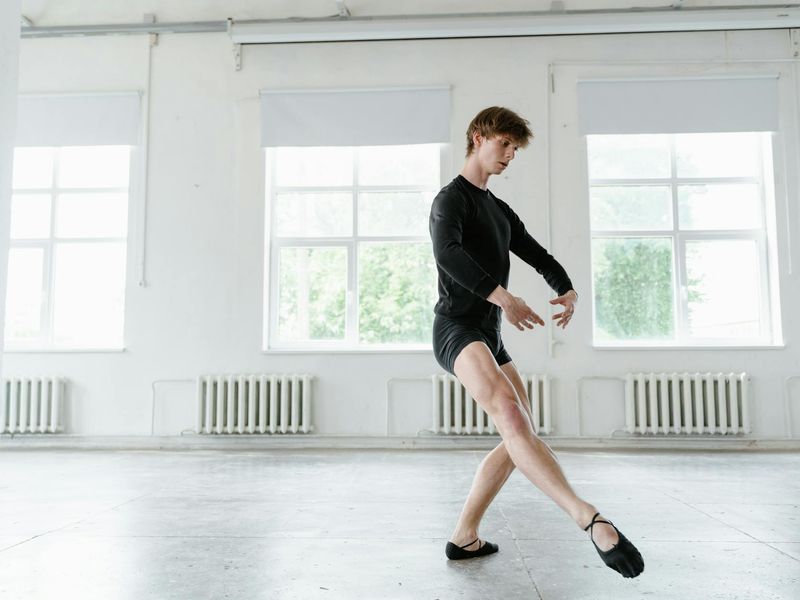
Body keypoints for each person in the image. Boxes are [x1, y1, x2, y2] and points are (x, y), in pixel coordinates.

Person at [428, 106, 644, 578]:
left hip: (489, 334)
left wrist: (565, 288)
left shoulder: (497, 208)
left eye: (514, 149)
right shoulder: (451, 200)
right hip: (456, 329)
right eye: (503, 144)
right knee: (510, 416)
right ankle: (589, 517)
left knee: (519, 431)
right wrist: (503, 297)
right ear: (477, 137)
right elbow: (449, 257)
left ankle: (465, 535)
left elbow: (536, 253)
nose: (509, 154)